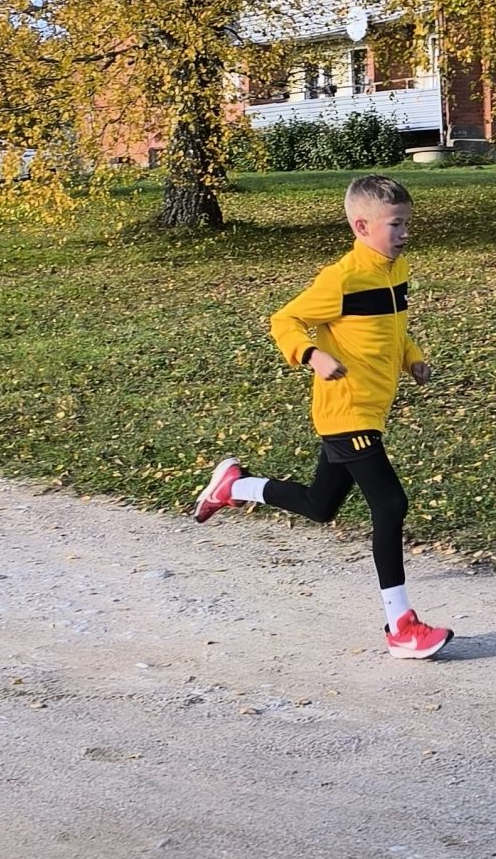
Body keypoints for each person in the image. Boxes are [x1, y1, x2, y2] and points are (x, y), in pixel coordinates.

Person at [192, 173, 453, 659]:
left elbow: (393, 329)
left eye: (406, 223)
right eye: (395, 225)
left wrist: (412, 357)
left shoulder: (396, 270)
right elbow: (285, 320)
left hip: (371, 409)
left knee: (320, 505)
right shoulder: (342, 279)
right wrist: (311, 355)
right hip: (346, 411)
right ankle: (401, 626)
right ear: (362, 226)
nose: (404, 233)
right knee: (390, 504)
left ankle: (234, 486)